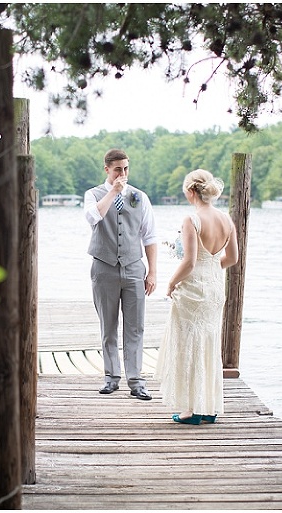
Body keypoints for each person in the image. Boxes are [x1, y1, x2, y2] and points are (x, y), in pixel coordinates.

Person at [155, 168, 239, 423]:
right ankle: (208, 408)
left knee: (188, 345)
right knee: (208, 344)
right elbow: (233, 258)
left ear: (191, 191)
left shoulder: (191, 220)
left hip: (193, 289)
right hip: (215, 287)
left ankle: (191, 410)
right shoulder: (227, 220)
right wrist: (212, 268)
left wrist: (170, 283)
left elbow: (189, 262)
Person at [84, 148, 159, 401]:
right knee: (109, 326)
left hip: (134, 267)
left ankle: (136, 381)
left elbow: (149, 236)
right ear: (107, 169)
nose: (123, 174)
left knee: (135, 327)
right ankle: (111, 377)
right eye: (118, 169)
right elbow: (93, 217)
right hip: (103, 267)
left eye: (126, 168)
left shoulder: (140, 197)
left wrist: (152, 272)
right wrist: (113, 191)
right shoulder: (93, 195)